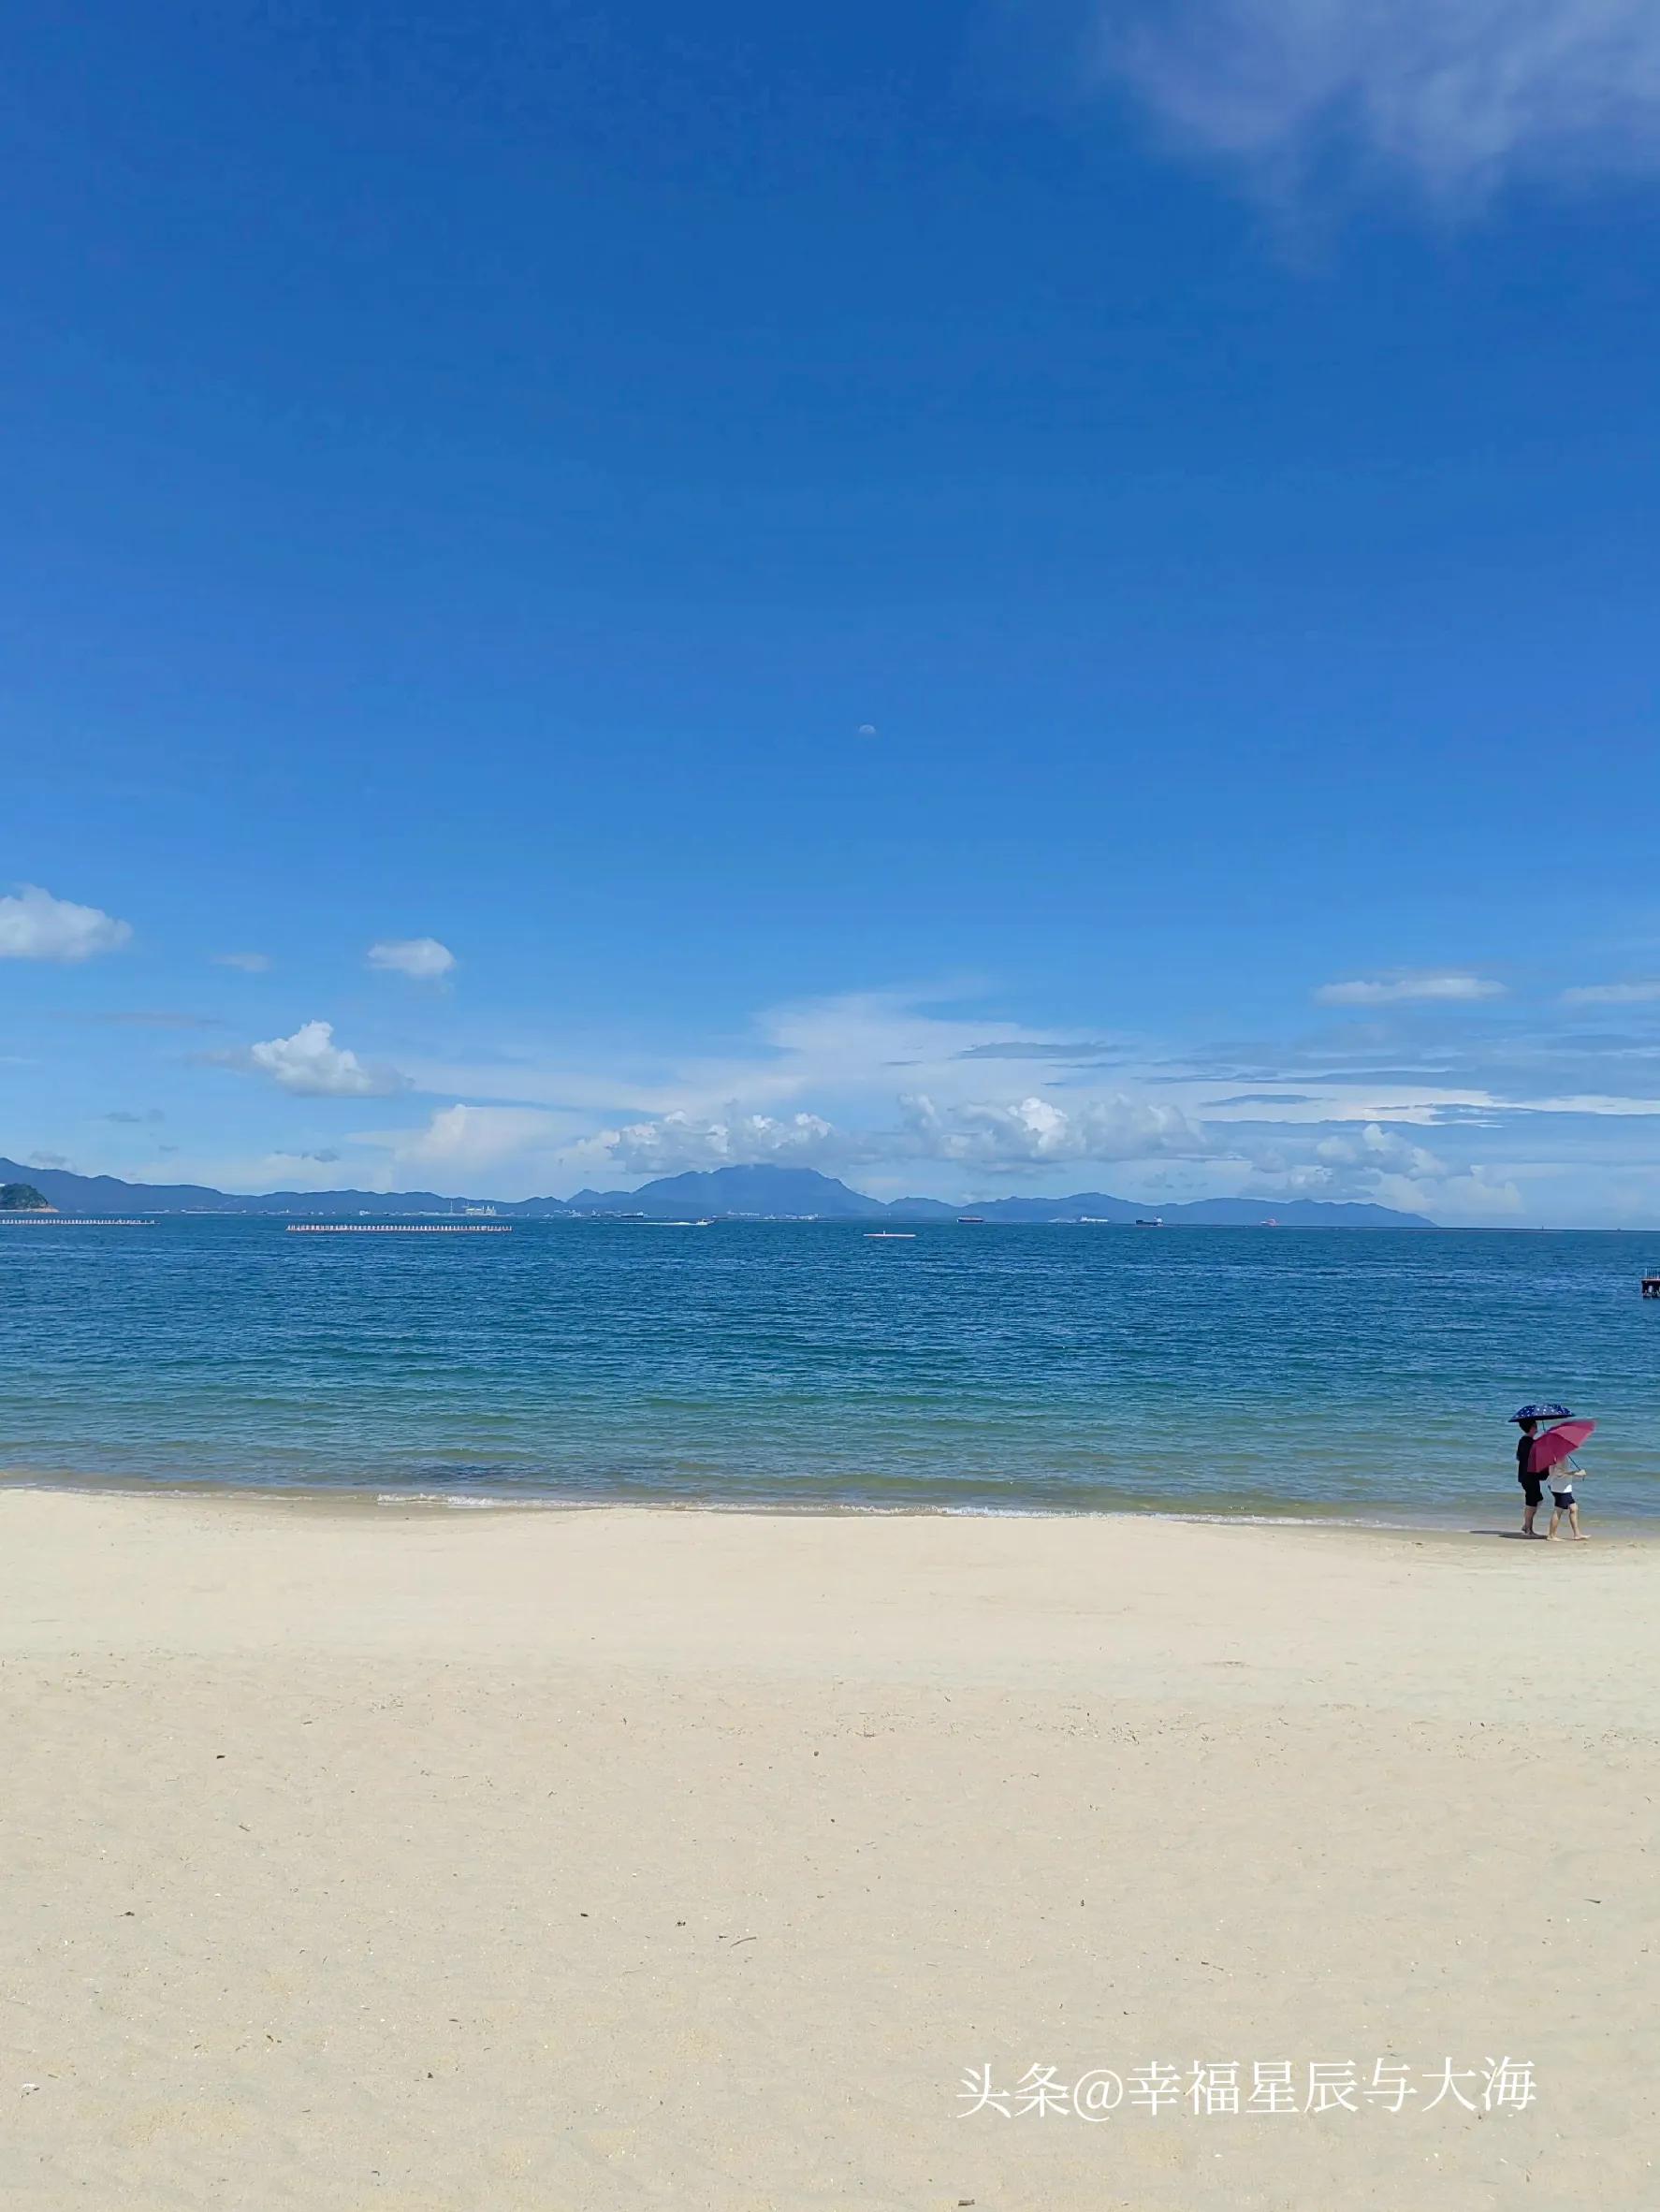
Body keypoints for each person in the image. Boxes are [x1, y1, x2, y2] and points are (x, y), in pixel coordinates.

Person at [1514, 1417, 1546, 1538]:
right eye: (1535, 1426)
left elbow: (1519, 1457)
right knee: (1532, 1502)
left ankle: (1526, 1525)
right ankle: (1528, 1529)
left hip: (1525, 1476)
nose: (1537, 1428)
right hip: (1530, 1476)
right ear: (1532, 1427)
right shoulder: (1531, 1443)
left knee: (1537, 1499)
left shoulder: (1523, 1441)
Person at [1547, 1457, 1588, 1541]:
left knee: (1574, 1508)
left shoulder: (1562, 1457)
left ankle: (1577, 1534)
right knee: (1558, 1510)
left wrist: (1577, 1472)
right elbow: (1560, 1472)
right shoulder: (1558, 1458)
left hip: (1563, 1487)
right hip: (1560, 1489)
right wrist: (1578, 1473)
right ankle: (1551, 1535)